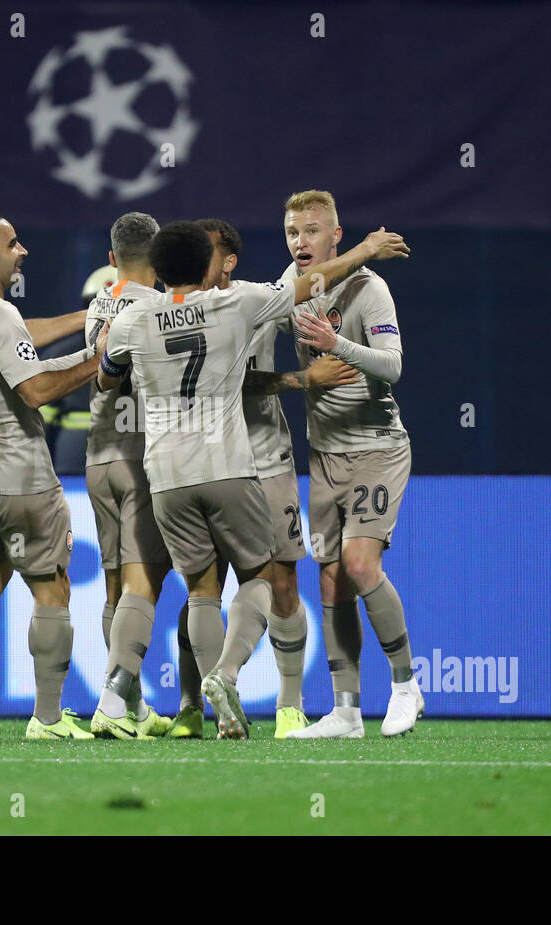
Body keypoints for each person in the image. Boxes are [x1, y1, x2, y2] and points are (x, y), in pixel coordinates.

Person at [100, 221, 408, 739]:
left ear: (157, 269)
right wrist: (365, 250)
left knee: (200, 592)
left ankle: (215, 710)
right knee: (263, 578)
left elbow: (109, 376)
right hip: (226, 466)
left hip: (165, 476)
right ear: (206, 265)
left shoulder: (134, 318)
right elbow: (309, 284)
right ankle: (226, 674)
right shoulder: (237, 303)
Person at [167, 218, 359, 739]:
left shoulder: (256, 299)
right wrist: (302, 379)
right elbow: (233, 381)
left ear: (229, 261)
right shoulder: (173, 310)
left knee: (280, 584)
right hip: (208, 465)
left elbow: (309, 286)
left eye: (203, 253)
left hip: (264, 460)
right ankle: (198, 701)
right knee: (201, 590)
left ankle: (289, 703)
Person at [0, 212, 100, 740]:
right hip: (18, 475)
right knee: (51, 587)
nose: (22, 250)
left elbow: (18, 335)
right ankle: (47, 719)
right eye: (12, 243)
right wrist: (101, 357)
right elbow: (36, 390)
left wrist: (83, 319)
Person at [277, 190, 423, 739]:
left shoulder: (369, 289)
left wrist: (338, 344)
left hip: (377, 449)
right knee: (333, 579)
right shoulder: (289, 291)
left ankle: (407, 687)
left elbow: (393, 368)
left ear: (335, 236)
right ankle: (345, 711)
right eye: (293, 232)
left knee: (362, 567)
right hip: (325, 456)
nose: (300, 242)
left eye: (311, 231)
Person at [84, 213, 178, 739]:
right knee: (144, 583)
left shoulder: (99, 303)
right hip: (144, 457)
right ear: (161, 258)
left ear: (111, 256)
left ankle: (133, 708)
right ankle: (113, 702)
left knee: (114, 587)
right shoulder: (162, 308)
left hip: (98, 456)